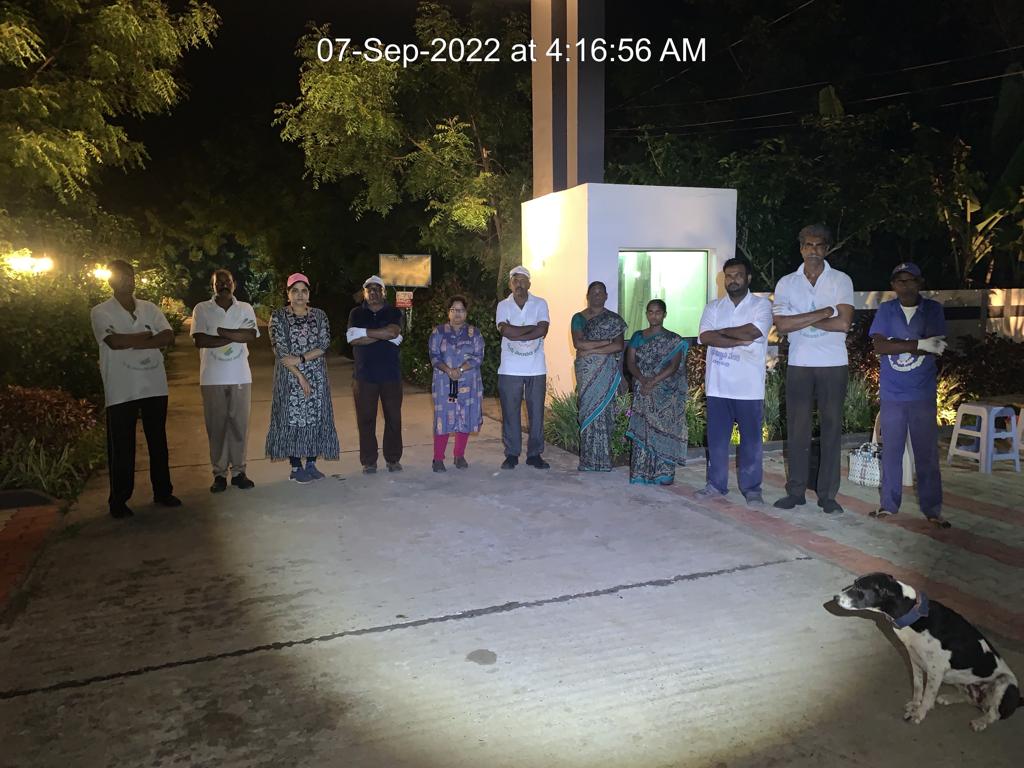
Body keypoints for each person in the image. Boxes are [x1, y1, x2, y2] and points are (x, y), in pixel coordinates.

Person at [772, 224, 854, 514]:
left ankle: (827, 495)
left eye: (819, 245)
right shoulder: (787, 283)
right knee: (797, 430)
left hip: (833, 363)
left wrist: (801, 318)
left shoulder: (841, 280)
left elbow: (843, 323)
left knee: (831, 429)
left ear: (827, 249)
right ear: (801, 249)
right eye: (808, 245)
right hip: (800, 363)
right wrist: (823, 312)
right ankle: (795, 492)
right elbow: (782, 326)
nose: (813, 251)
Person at [89, 259, 181, 518]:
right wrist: (147, 336)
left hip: (154, 384)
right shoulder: (101, 311)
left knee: (158, 442)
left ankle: (163, 491)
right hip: (121, 388)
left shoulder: (149, 308)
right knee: (122, 446)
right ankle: (119, 500)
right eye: (120, 276)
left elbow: (168, 336)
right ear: (110, 280)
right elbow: (114, 342)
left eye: (130, 276)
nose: (127, 281)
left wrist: (137, 341)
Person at [868, 262, 951, 527]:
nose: (905, 285)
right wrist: (920, 343)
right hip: (892, 393)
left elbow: (937, 346)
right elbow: (880, 347)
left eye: (911, 280)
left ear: (920, 282)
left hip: (922, 394)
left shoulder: (932, 309)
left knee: (926, 455)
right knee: (891, 452)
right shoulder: (887, 310)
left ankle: (932, 509)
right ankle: (888, 505)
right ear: (893, 285)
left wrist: (897, 344)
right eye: (900, 281)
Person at [697, 256, 773, 505]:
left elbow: (754, 331)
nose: (733, 280)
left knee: (751, 442)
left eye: (738, 275)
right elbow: (706, 337)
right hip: (718, 386)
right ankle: (716, 484)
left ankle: (752, 489)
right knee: (717, 441)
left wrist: (721, 332)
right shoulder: (714, 307)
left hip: (749, 387)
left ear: (748, 278)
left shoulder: (761, 306)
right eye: (728, 276)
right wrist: (738, 339)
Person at [265, 273, 340, 482]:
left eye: (304, 291)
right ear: (288, 294)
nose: (300, 295)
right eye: (295, 291)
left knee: (315, 418)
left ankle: (312, 464)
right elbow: (281, 351)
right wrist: (299, 375)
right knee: (292, 419)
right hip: (289, 378)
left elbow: (323, 344)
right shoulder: (278, 317)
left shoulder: (319, 315)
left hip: (316, 376)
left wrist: (301, 359)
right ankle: (296, 466)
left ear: (309, 294)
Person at [191, 269, 259, 493]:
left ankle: (239, 472)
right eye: (218, 282)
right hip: (212, 378)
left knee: (239, 426)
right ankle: (219, 474)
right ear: (212, 286)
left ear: (234, 284)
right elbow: (200, 340)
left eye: (227, 281)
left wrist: (219, 332)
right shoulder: (202, 309)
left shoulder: (245, 308)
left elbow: (250, 335)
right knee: (217, 428)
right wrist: (234, 334)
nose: (223, 285)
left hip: (240, 376)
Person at [625, 299, 690, 485]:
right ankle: (641, 472)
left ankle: (663, 473)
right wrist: (642, 379)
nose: (654, 316)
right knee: (643, 428)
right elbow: (630, 362)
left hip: (664, 392)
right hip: (642, 388)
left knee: (663, 429)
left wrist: (652, 382)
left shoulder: (674, 340)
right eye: (651, 312)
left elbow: (673, 366)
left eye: (658, 312)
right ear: (646, 314)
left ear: (664, 314)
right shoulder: (638, 336)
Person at [346, 275, 404, 473]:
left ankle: (393, 459)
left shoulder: (394, 312)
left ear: (383, 293)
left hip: (391, 376)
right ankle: (369, 461)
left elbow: (393, 332)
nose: (373, 292)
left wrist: (364, 332)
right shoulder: (356, 313)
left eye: (377, 289)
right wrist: (382, 334)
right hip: (364, 376)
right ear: (364, 293)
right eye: (369, 289)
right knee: (366, 420)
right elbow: (353, 340)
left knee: (393, 419)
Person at [496, 266, 550, 470]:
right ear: (510, 284)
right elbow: (505, 331)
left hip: (536, 368)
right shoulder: (503, 305)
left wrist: (516, 331)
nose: (519, 284)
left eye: (522, 280)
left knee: (537, 414)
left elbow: (543, 330)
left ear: (529, 283)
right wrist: (531, 329)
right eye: (515, 281)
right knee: (510, 413)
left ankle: (534, 454)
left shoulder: (540, 303)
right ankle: (512, 454)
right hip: (510, 368)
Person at [571, 281, 627, 472]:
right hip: (586, 373)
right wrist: (606, 342)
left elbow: (618, 346)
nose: (597, 295)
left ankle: (604, 461)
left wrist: (591, 349)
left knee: (605, 413)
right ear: (587, 296)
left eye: (601, 292)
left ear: (606, 296)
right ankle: (587, 461)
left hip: (607, 374)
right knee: (588, 412)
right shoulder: (578, 318)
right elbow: (579, 344)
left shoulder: (614, 320)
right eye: (593, 292)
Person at [428, 296, 485, 472]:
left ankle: (459, 455)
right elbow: (434, 356)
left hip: (468, 382)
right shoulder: (438, 332)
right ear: (448, 312)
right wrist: (448, 370)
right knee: (443, 418)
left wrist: (460, 369)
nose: (457, 313)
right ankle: (438, 458)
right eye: (453, 309)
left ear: (466, 313)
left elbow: (478, 357)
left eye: (460, 310)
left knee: (464, 417)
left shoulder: (474, 333)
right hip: (444, 383)